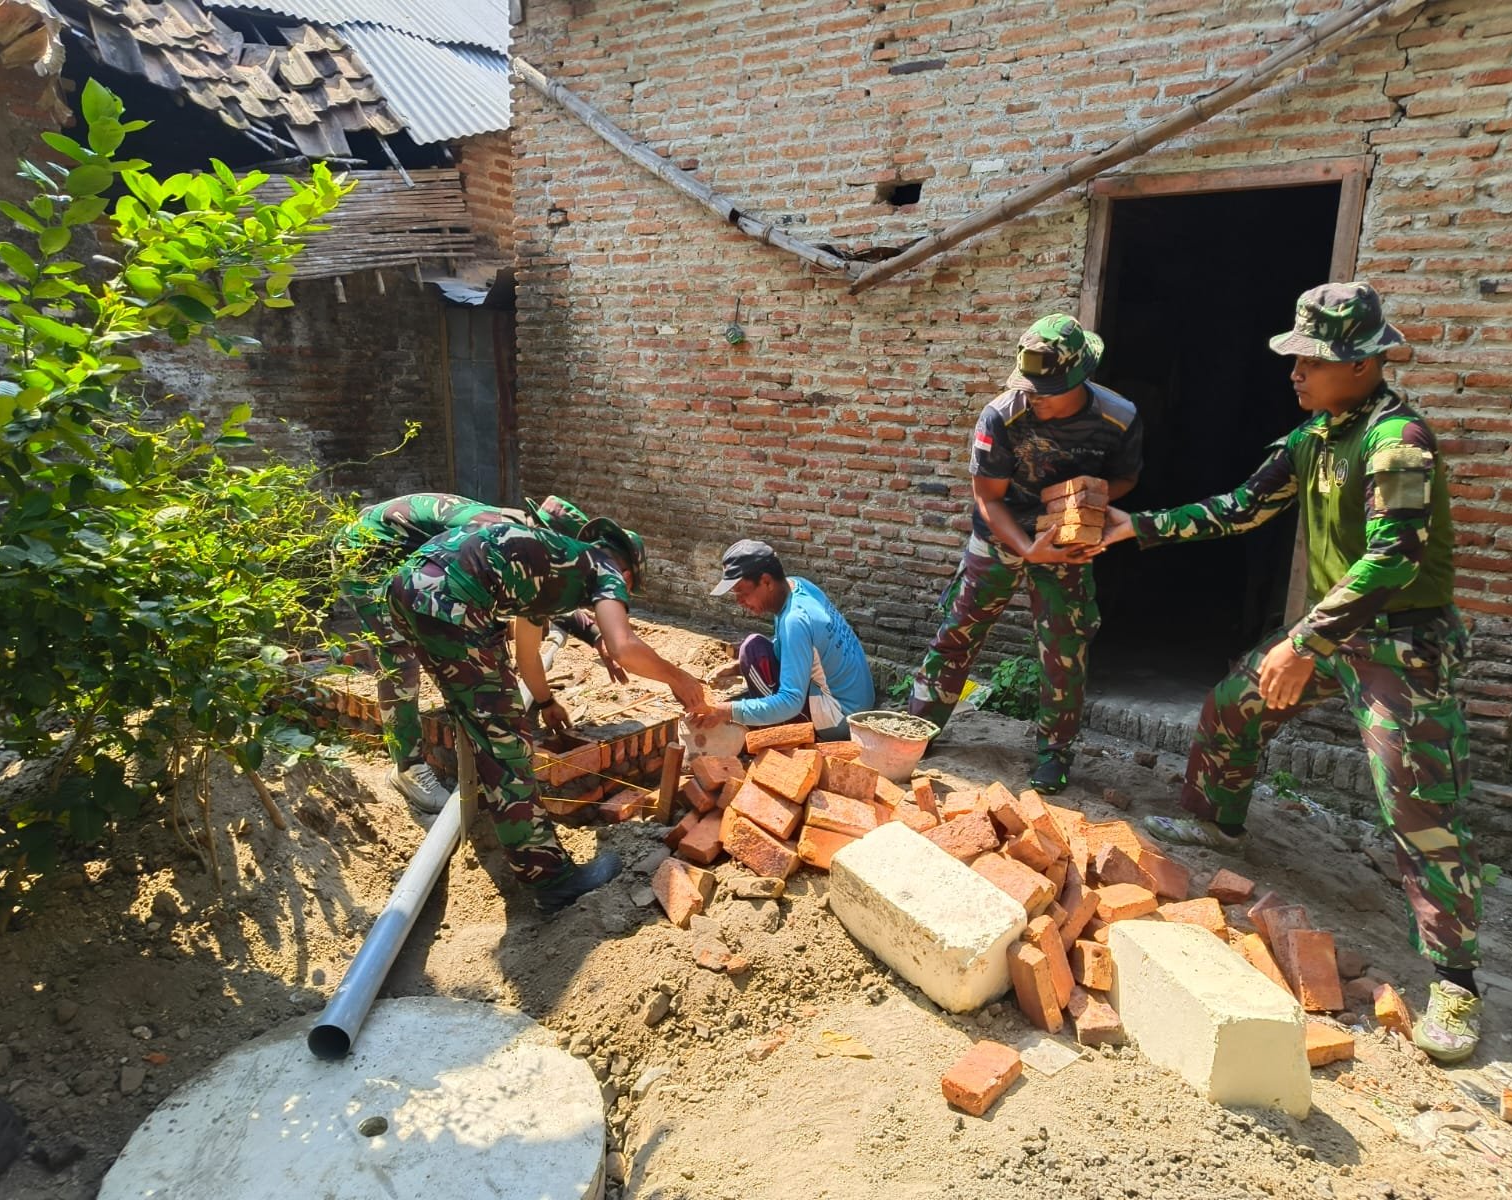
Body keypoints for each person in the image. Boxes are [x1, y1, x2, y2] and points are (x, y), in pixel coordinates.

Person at [1100, 282, 1483, 1063]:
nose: (1295, 372)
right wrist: (1133, 527)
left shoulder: (1397, 439)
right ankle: (1217, 820)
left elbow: (1394, 555)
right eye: (1297, 358)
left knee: (1418, 804)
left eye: (1311, 359)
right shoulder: (1314, 437)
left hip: (1401, 644)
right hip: (1332, 632)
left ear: (1362, 363)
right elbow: (1242, 507)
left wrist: (1303, 641)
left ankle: (1456, 981)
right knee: (1234, 705)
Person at [386, 517, 709, 911]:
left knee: (486, 719)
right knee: (506, 745)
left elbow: (526, 654)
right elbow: (623, 646)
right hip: (451, 601)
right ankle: (551, 879)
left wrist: (544, 702)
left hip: (408, 590)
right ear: (626, 574)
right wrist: (679, 678)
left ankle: (500, 820)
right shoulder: (604, 569)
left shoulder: (548, 563)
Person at [907, 314, 1142, 793]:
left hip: (1068, 541)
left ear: (1080, 379)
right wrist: (1026, 549)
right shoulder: (1001, 415)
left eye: (1047, 391)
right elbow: (988, 497)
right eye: (1029, 387)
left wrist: (1086, 498)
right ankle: (920, 729)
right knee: (958, 632)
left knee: (1065, 650)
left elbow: (1126, 477)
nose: (1034, 398)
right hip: (1001, 535)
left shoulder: (1118, 419)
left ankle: (1054, 754)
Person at [335, 493, 621, 813]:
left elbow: (546, 591)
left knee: (478, 641)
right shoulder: (498, 531)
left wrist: (595, 634)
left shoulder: (527, 539)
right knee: (401, 655)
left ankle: (477, 742)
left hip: (411, 557)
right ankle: (408, 767)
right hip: (368, 557)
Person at [693, 540, 874, 741]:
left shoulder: (795, 621)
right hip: (860, 703)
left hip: (840, 721)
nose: (740, 602)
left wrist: (725, 710)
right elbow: (788, 650)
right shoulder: (798, 586)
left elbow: (790, 702)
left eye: (742, 593)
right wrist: (737, 668)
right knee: (755, 651)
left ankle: (780, 732)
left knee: (752, 651)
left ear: (767, 582)